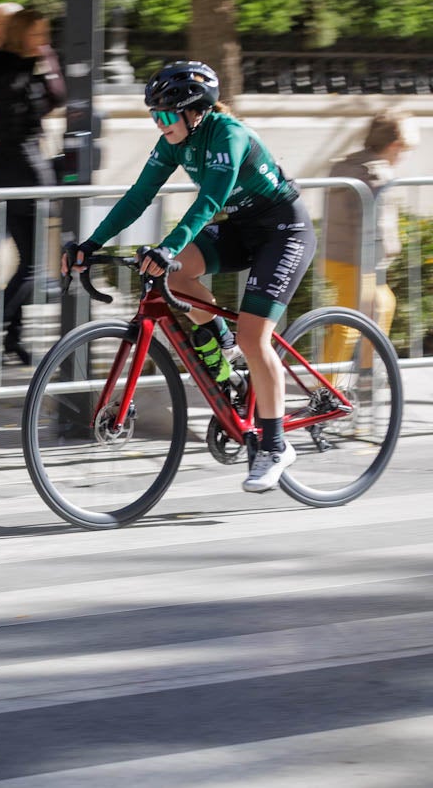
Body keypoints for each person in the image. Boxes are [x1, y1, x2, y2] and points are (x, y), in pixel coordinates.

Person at [64, 60, 315, 493]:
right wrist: (92, 243)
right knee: (177, 278)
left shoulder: (229, 135)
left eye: (166, 115)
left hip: (283, 231)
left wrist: (167, 247)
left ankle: (275, 446)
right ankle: (225, 344)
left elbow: (209, 201)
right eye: (154, 116)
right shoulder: (175, 142)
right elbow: (138, 196)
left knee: (256, 336)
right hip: (243, 229)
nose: (160, 124)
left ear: (194, 111)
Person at [0, 8, 66, 364]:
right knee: (33, 265)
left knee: (26, 259)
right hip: (24, 165)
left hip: (12, 164)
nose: (44, 40)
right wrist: (41, 62)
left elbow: (57, 96)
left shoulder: (15, 65)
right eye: (38, 34)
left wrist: (43, 59)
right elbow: (50, 99)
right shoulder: (11, 68)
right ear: (23, 34)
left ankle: (11, 338)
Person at [322, 110, 418, 363]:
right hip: (354, 260)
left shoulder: (351, 164)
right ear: (395, 146)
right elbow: (377, 224)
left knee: (383, 304)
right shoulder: (376, 174)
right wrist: (388, 252)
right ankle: (328, 378)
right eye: (406, 150)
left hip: (339, 255)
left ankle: (369, 370)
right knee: (350, 323)